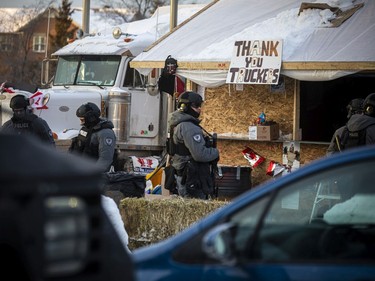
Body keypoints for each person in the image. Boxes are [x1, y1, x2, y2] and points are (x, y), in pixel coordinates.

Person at [168, 91, 219, 199]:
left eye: (200, 105)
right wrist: (215, 152)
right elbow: (199, 154)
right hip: (191, 178)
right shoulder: (189, 127)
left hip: (183, 175)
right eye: (196, 106)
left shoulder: (177, 123)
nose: (199, 109)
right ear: (185, 107)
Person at [69, 102, 116, 172]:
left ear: (90, 118)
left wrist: (92, 175)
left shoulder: (105, 133)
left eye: (82, 120)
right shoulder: (86, 129)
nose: (81, 123)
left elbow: (105, 159)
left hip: (92, 175)